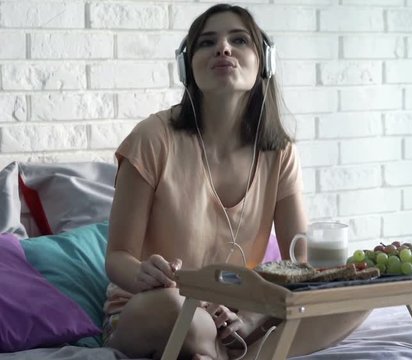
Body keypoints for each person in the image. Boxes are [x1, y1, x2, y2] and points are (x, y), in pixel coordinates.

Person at [103, 4, 368, 360]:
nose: (223, 48)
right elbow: (118, 258)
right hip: (154, 306)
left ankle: (235, 350)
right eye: (207, 42)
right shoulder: (152, 138)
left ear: (264, 63)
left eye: (239, 39)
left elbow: (300, 264)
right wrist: (145, 274)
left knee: (359, 295)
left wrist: (250, 316)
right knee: (189, 319)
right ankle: (229, 348)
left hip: (237, 315)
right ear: (187, 66)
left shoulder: (280, 152)